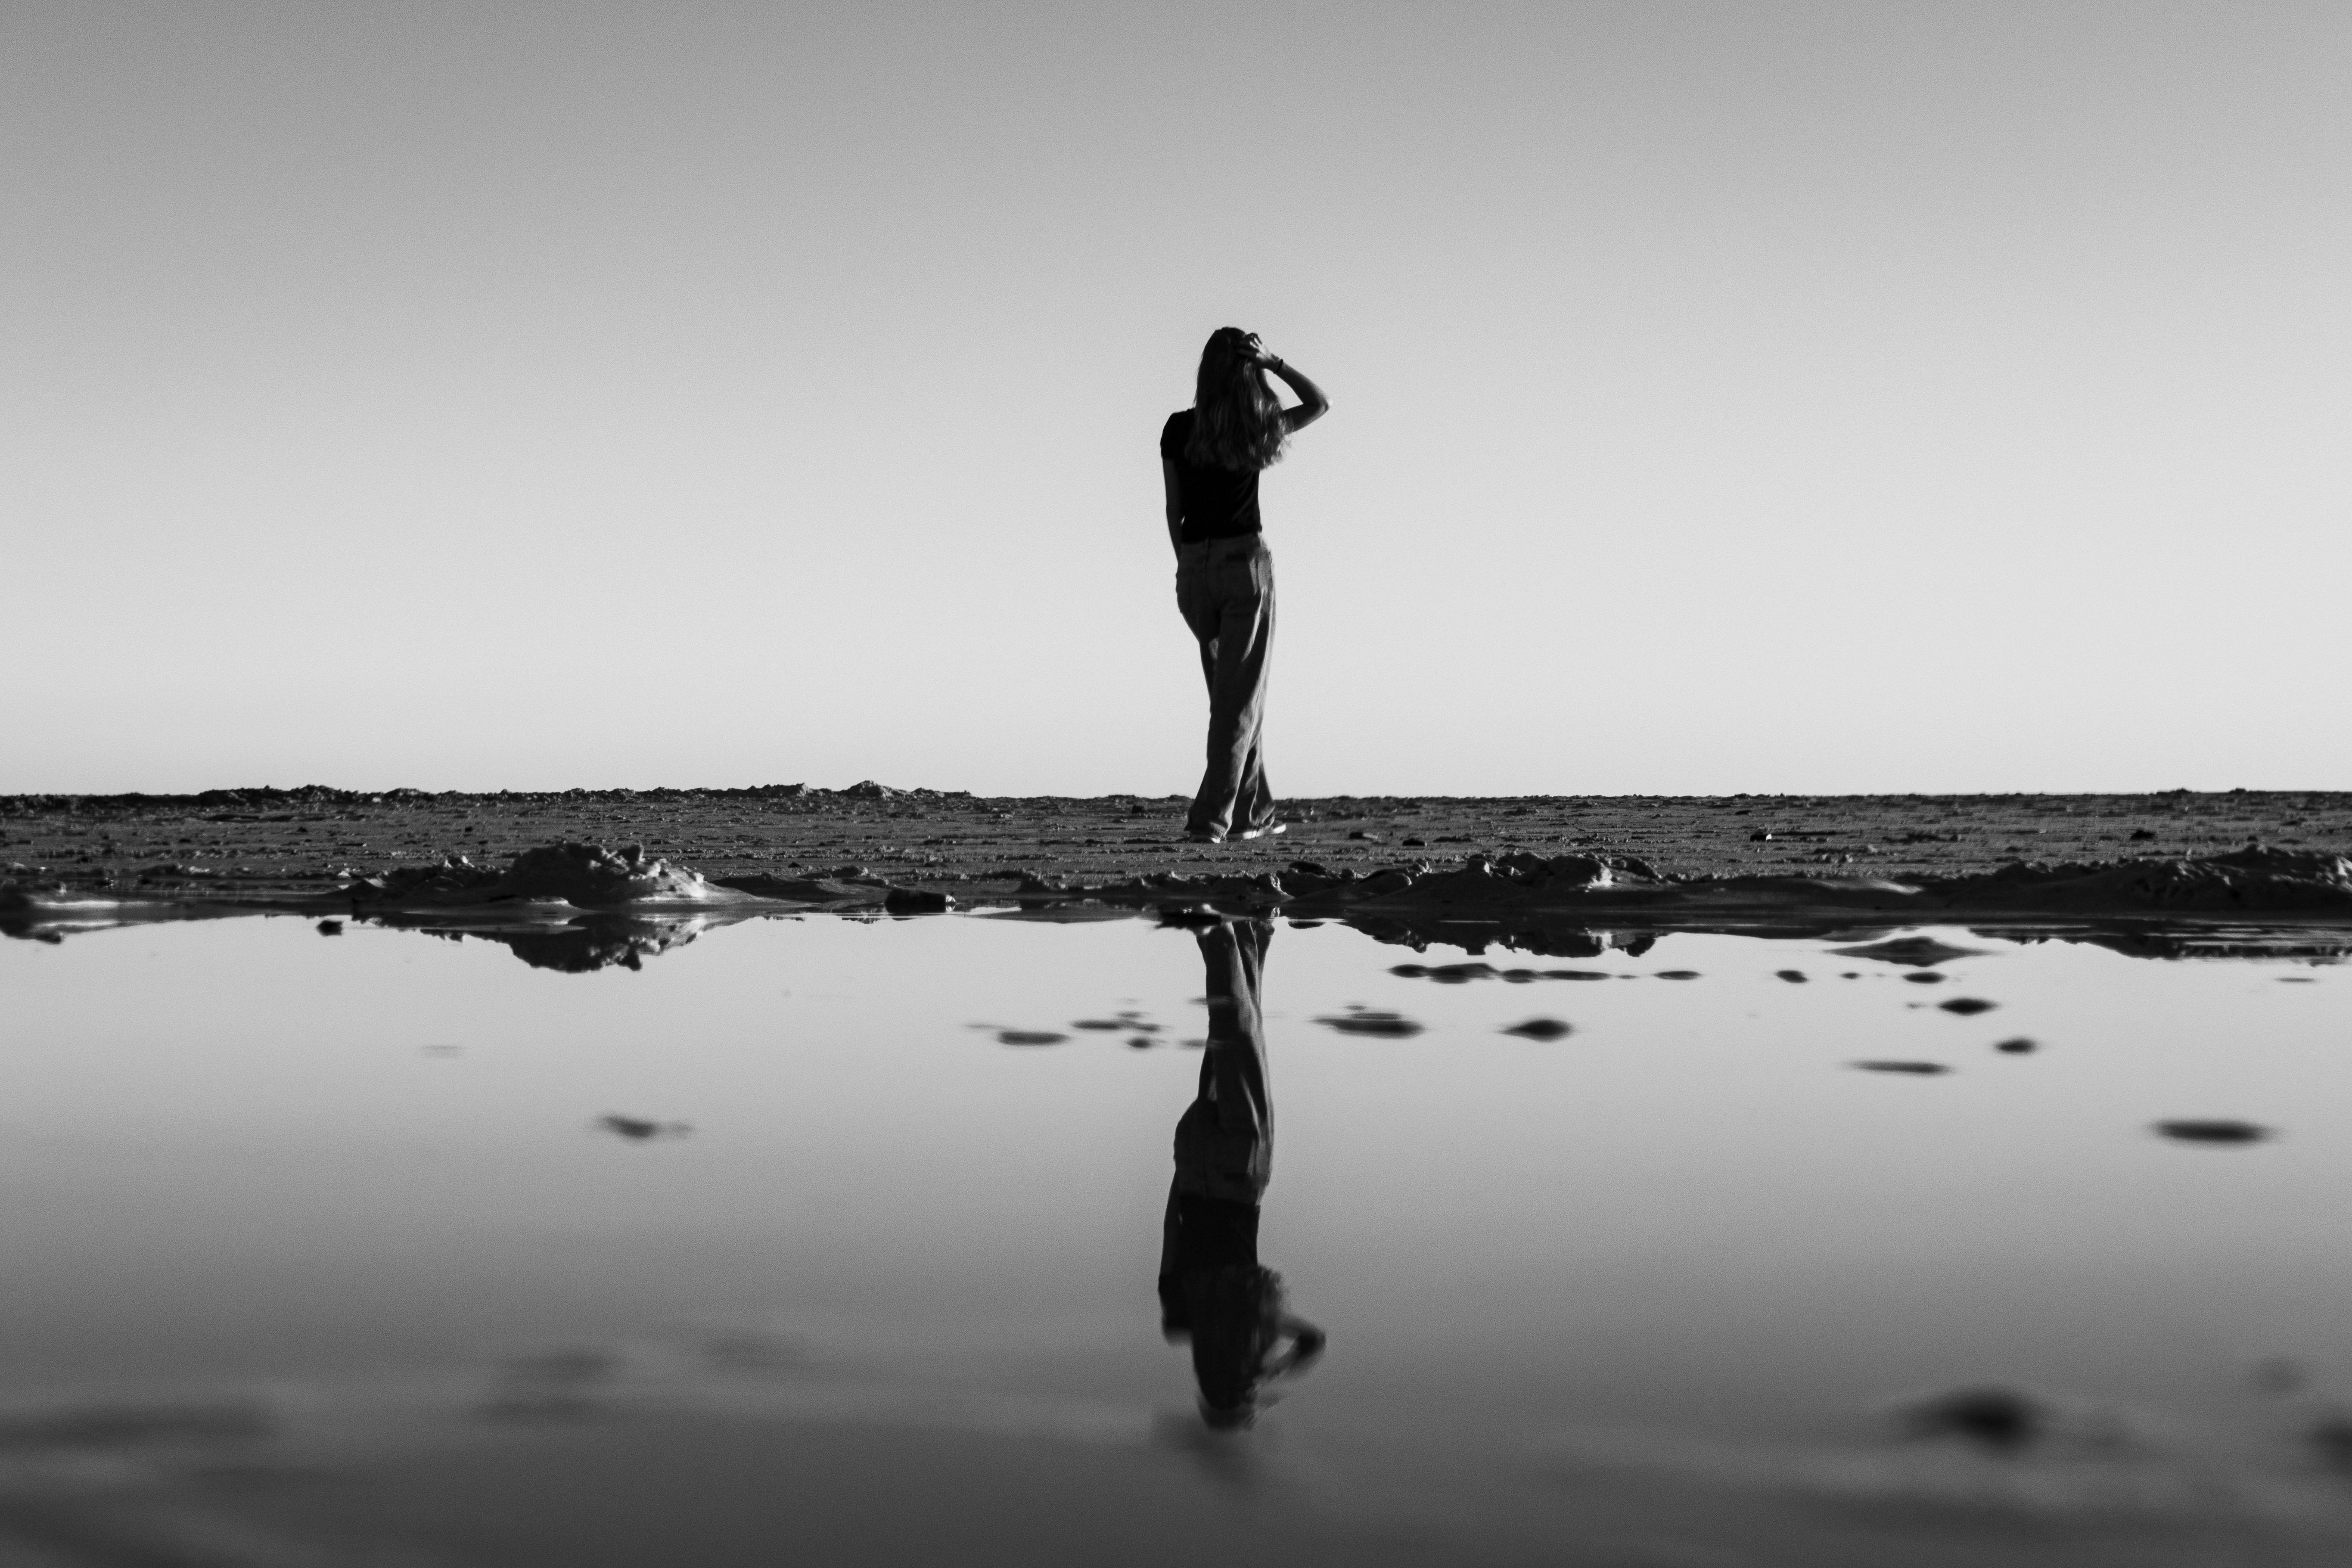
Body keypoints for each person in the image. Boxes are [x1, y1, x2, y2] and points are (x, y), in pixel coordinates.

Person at [1161, 329, 1330, 844]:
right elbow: (1319, 404)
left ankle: (1253, 812)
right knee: (1237, 704)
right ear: (1247, 372)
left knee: (1234, 695)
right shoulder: (1255, 425)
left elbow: (1173, 509)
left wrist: (1188, 565)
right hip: (1243, 568)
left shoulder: (1178, 428)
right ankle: (1210, 821)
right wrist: (1274, 362)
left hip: (1194, 569)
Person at [1157, 917, 1326, 1429]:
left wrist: (1268, 1373)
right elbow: (1170, 1231)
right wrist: (1182, 1166)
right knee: (1227, 1040)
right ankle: (1253, 930)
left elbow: (1313, 1341)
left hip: (1241, 1171)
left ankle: (1218, 932)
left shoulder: (1256, 1323)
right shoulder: (1181, 1318)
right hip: (1194, 1163)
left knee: (1243, 1038)